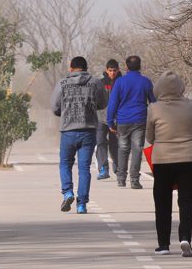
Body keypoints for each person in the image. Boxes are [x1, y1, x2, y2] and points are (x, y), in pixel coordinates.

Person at [146, 70, 192, 257]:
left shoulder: (154, 108)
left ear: (158, 89)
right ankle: (185, 238)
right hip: (189, 157)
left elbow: (150, 137)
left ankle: (163, 245)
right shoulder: (190, 105)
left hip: (163, 159)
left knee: (162, 202)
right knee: (187, 200)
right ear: (181, 88)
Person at [50, 56, 108, 214]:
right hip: (88, 131)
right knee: (84, 169)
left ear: (71, 68)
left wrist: (64, 112)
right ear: (85, 68)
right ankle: (82, 204)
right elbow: (103, 103)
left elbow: (55, 107)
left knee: (65, 164)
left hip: (68, 131)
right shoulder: (96, 83)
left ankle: (68, 192)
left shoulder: (62, 83)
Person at [106, 55, 156, 189]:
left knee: (122, 149)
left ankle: (121, 178)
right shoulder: (146, 82)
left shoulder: (120, 82)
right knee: (137, 149)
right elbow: (154, 102)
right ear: (140, 66)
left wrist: (110, 122)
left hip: (122, 121)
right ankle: (134, 180)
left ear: (126, 67)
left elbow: (112, 103)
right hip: (139, 120)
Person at [95, 59, 121, 180]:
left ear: (118, 70)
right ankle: (103, 168)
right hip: (101, 118)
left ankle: (118, 168)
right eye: (110, 70)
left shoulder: (122, 82)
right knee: (100, 142)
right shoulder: (100, 83)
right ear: (106, 70)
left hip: (117, 119)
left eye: (114, 70)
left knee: (115, 145)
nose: (112, 73)